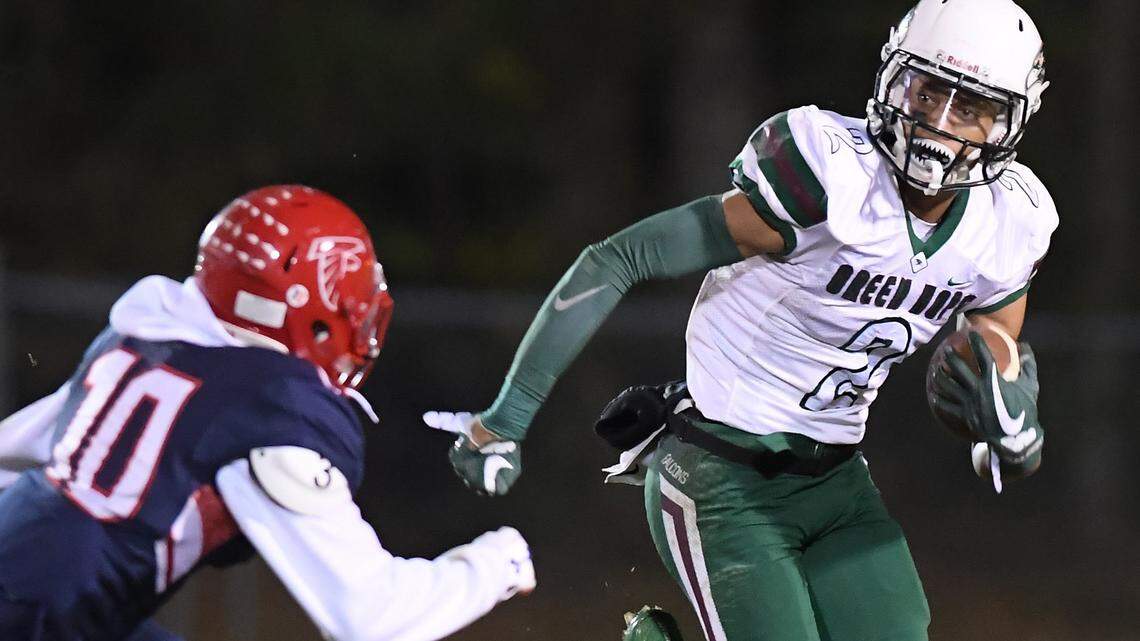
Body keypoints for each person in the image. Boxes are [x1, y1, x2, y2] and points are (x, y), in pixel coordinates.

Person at [423, 0, 1053, 639]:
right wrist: (503, 419)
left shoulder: (1006, 223)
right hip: (719, 472)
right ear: (895, 79)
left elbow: (994, 363)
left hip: (836, 479)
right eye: (927, 92)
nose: (938, 123)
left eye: (969, 107)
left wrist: (1014, 435)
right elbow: (621, 257)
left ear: (1008, 122)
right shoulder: (830, 175)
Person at [0, 185, 535, 641]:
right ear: (306, 311)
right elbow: (371, 618)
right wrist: (496, 564)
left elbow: (13, 458)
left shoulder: (139, 345)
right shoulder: (270, 408)